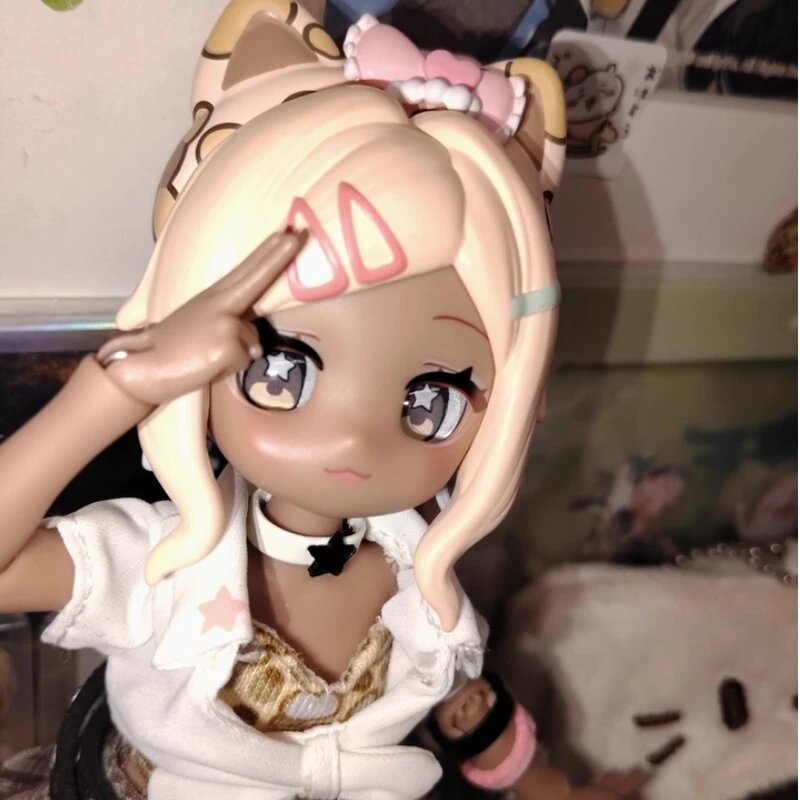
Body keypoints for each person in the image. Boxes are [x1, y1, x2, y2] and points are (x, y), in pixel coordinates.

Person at [0, 3, 645, 798]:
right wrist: (114, 389)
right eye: (285, 371)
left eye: (430, 403)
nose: (355, 440)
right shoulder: (163, 567)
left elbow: (466, 703)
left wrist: (549, 783)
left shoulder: (420, 573)